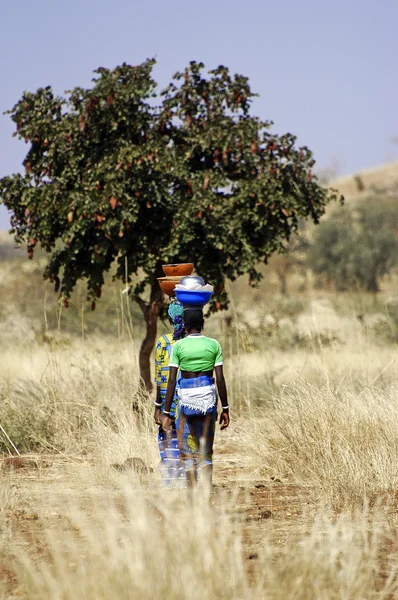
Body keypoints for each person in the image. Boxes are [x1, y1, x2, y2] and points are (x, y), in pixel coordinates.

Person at [161, 307, 230, 499]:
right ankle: (206, 500)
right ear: (202, 324)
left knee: (187, 453)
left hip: (187, 402)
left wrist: (166, 413)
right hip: (208, 402)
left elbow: (172, 380)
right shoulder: (214, 345)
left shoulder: (179, 347)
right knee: (206, 453)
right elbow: (221, 379)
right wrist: (225, 409)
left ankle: (191, 500)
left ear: (186, 325)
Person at [154, 299, 185, 487]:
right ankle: (187, 484)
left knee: (168, 440)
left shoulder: (163, 342)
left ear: (169, 318)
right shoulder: (193, 342)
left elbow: (159, 376)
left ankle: (170, 485)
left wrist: (158, 407)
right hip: (188, 401)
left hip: (168, 402)